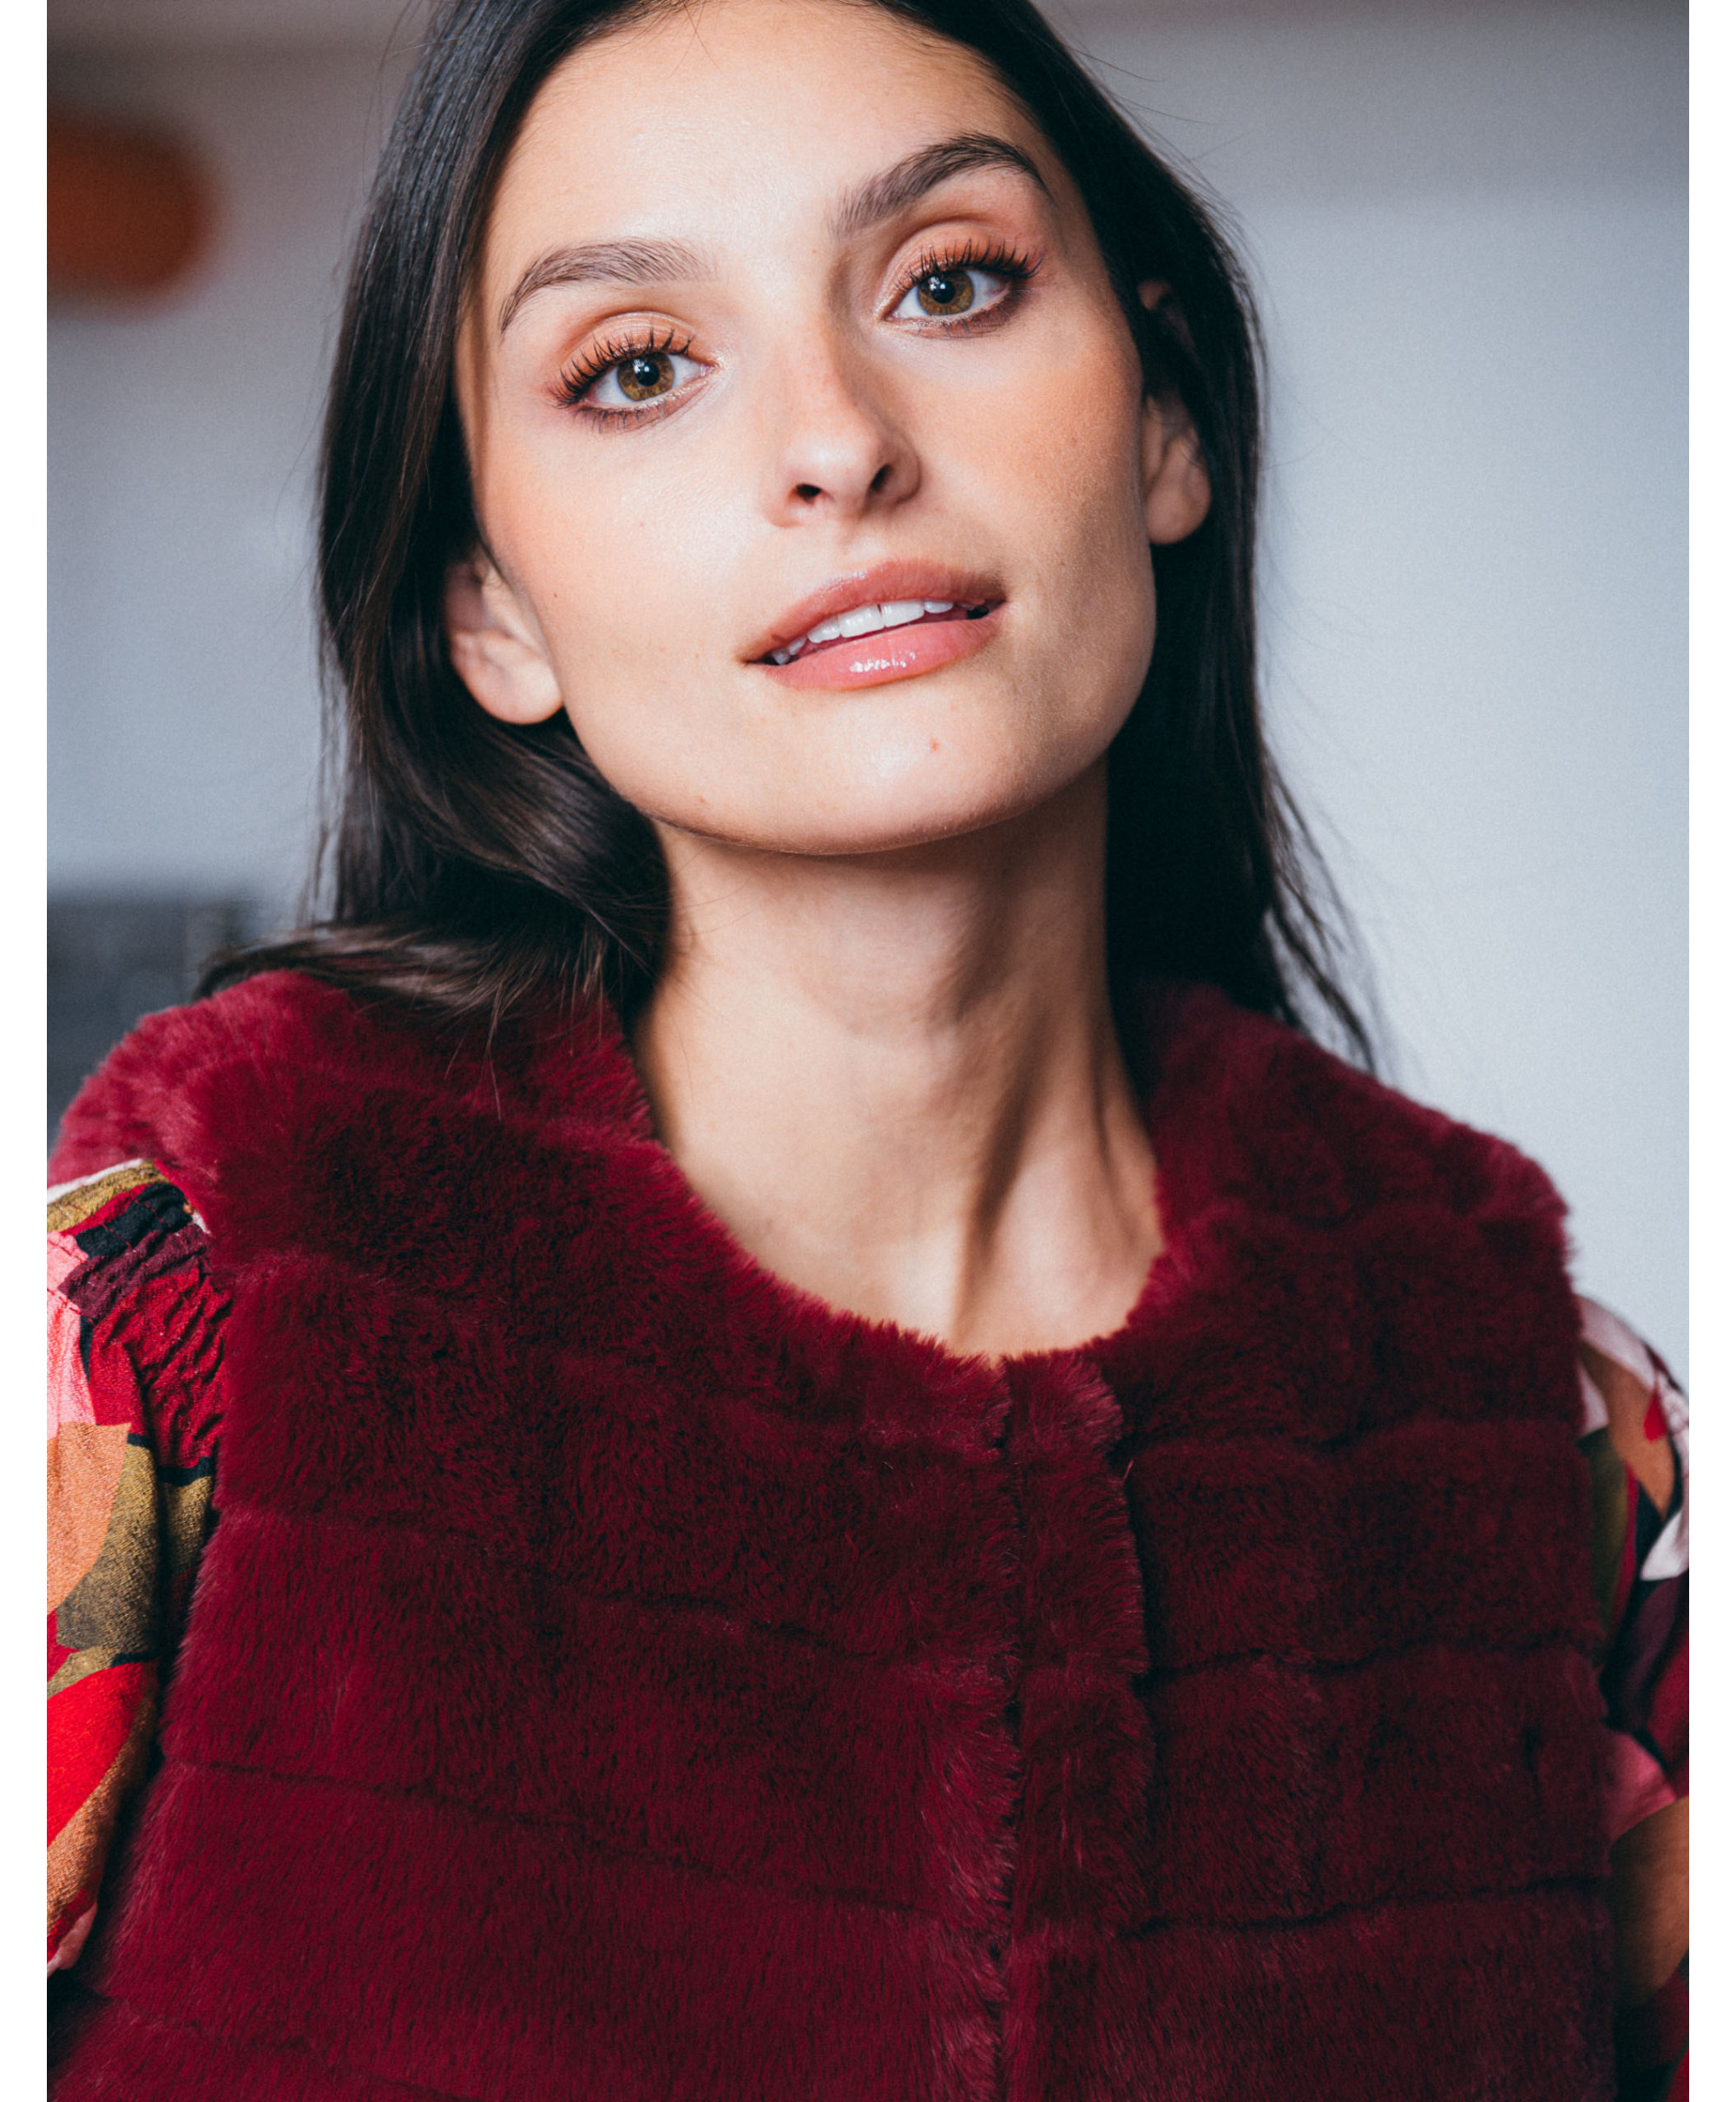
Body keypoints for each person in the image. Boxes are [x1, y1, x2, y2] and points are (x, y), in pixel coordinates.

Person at [46, 0, 1686, 2094]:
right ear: (488, 609)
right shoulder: (171, 1297)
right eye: (638, 367)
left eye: (952, 282)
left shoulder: (1553, 1432)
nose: (836, 440)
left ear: (1163, 421)